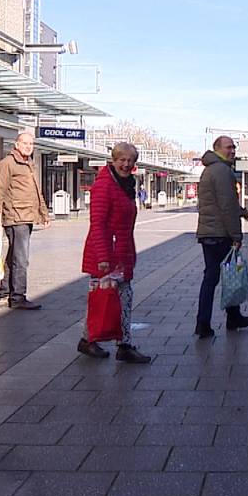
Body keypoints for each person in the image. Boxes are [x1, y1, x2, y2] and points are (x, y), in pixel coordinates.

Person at [78, 143, 151, 363]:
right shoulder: (104, 186)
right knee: (106, 297)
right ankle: (111, 343)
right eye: (122, 160)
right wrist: (102, 258)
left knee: (120, 297)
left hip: (121, 251)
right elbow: (97, 224)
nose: (126, 164)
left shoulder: (127, 184)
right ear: (113, 160)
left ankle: (101, 341)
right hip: (106, 254)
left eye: (130, 160)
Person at [195, 136, 248, 339]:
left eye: (234, 147)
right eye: (229, 147)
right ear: (217, 149)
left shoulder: (211, 169)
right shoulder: (222, 171)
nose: (233, 150)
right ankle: (232, 317)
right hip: (220, 234)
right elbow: (226, 206)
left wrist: (242, 212)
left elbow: (223, 202)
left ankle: (204, 323)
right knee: (230, 276)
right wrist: (236, 235)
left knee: (211, 277)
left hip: (208, 233)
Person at [0, 132, 51, 309]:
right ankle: (18, 297)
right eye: (25, 143)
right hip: (16, 216)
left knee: (13, 257)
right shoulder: (7, 163)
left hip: (27, 216)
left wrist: (44, 214)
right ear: (16, 144)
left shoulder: (29, 163)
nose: (28, 146)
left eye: (31, 144)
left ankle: (5, 292)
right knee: (21, 259)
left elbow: (37, 192)